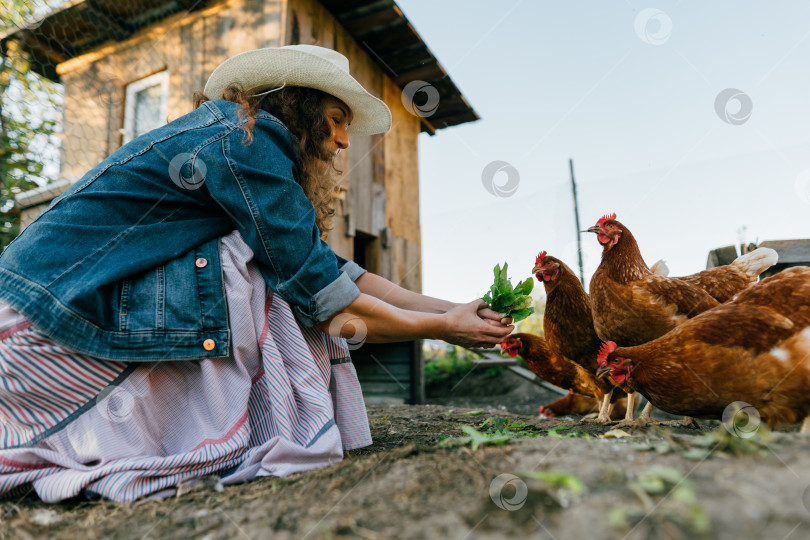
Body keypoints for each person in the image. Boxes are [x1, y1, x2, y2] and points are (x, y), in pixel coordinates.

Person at [0, 45, 513, 503]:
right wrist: (443, 329)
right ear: (300, 106)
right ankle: (230, 427)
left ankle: (208, 424)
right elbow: (321, 293)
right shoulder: (249, 139)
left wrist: (453, 310)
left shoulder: (235, 137)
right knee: (256, 272)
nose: (342, 140)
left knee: (268, 263)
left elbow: (335, 272)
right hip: (38, 318)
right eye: (335, 119)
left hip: (50, 299)